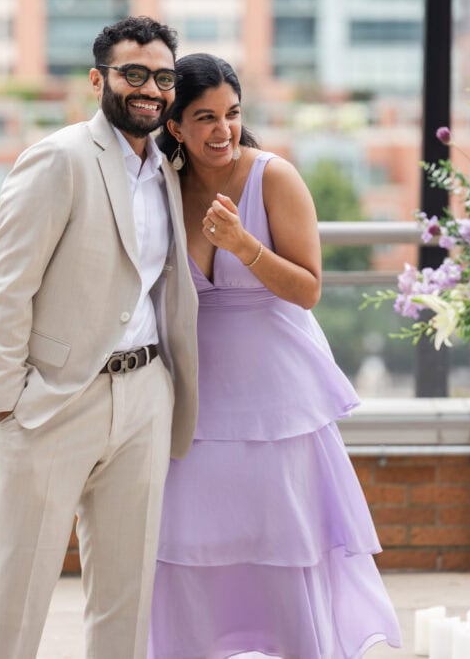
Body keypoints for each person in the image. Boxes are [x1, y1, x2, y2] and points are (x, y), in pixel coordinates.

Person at [150, 54, 401, 659]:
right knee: (185, 545)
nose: (223, 131)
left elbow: (309, 288)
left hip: (279, 398)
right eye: (205, 117)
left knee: (285, 544)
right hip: (194, 399)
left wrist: (243, 245)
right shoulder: (159, 186)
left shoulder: (275, 178)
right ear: (176, 126)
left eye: (232, 114)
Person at [0, 16, 199, 659]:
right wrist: (9, 398)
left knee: (126, 599)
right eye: (133, 74)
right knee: (20, 591)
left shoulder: (169, 172)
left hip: (146, 397)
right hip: (52, 403)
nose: (149, 88)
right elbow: (5, 285)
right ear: (99, 79)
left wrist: (163, 393)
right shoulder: (59, 158)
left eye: (162, 77)